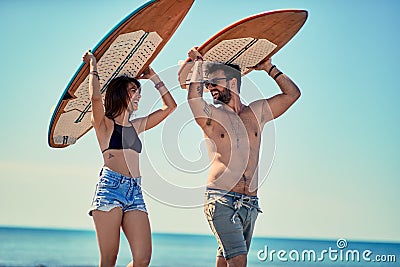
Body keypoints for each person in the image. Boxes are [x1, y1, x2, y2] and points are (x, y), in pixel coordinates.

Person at [186, 48, 301, 267]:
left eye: (213, 83)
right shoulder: (213, 115)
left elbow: (292, 94)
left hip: (250, 203)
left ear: (232, 82)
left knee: (226, 259)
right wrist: (198, 66)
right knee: (238, 261)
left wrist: (269, 67)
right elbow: (193, 98)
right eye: (207, 84)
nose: (210, 88)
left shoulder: (257, 113)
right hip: (221, 199)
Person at [83, 50, 177, 267]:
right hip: (110, 189)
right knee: (109, 259)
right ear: (119, 94)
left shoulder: (136, 126)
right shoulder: (104, 125)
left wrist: (154, 77)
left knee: (142, 259)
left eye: (139, 91)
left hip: (135, 191)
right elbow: (95, 98)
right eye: (133, 90)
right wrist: (93, 66)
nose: (139, 95)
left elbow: (170, 107)